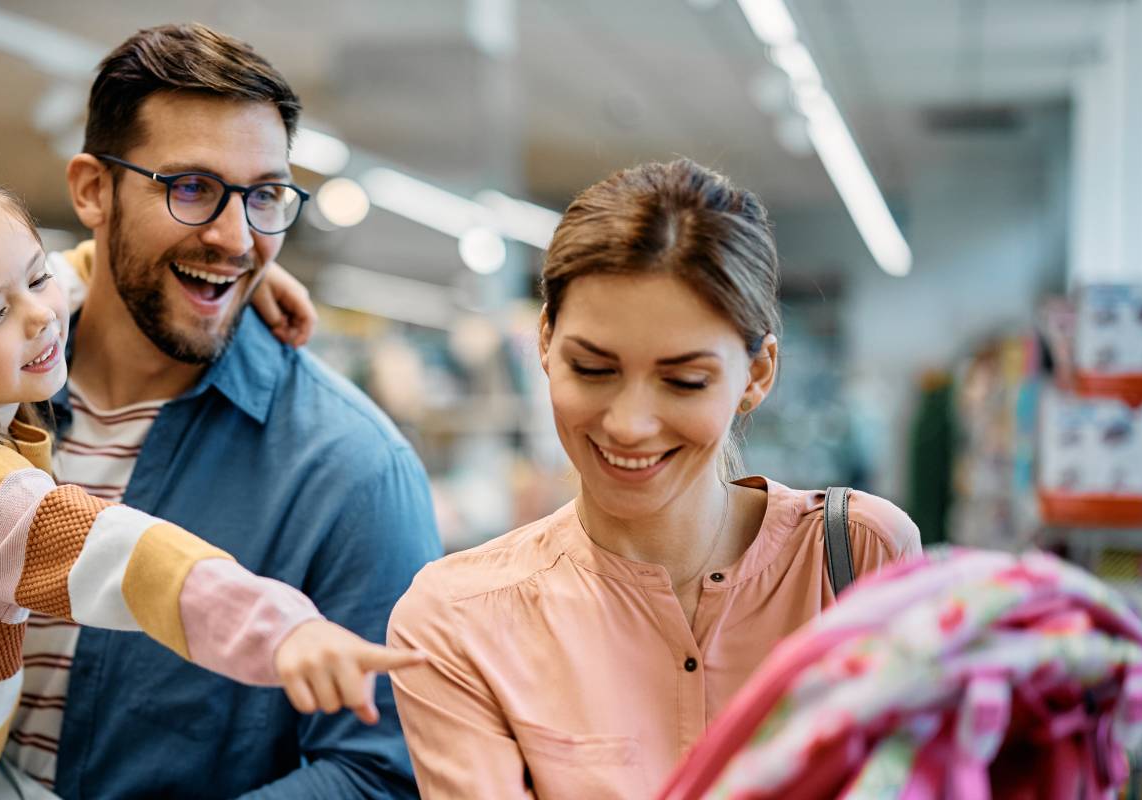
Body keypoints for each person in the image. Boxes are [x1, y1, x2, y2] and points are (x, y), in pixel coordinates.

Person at [0, 166, 424, 800]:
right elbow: (130, 557)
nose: (41, 317)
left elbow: (74, 276)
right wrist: (285, 633)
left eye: (36, 276)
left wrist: (236, 274)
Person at [386, 160, 924, 798]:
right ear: (545, 344)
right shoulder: (460, 621)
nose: (629, 424)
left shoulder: (857, 559)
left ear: (755, 375)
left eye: (683, 381)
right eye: (592, 369)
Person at [6, 23, 442, 799]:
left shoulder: (353, 472)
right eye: (192, 188)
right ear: (92, 190)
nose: (236, 238)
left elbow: (379, 778)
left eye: (265, 195)